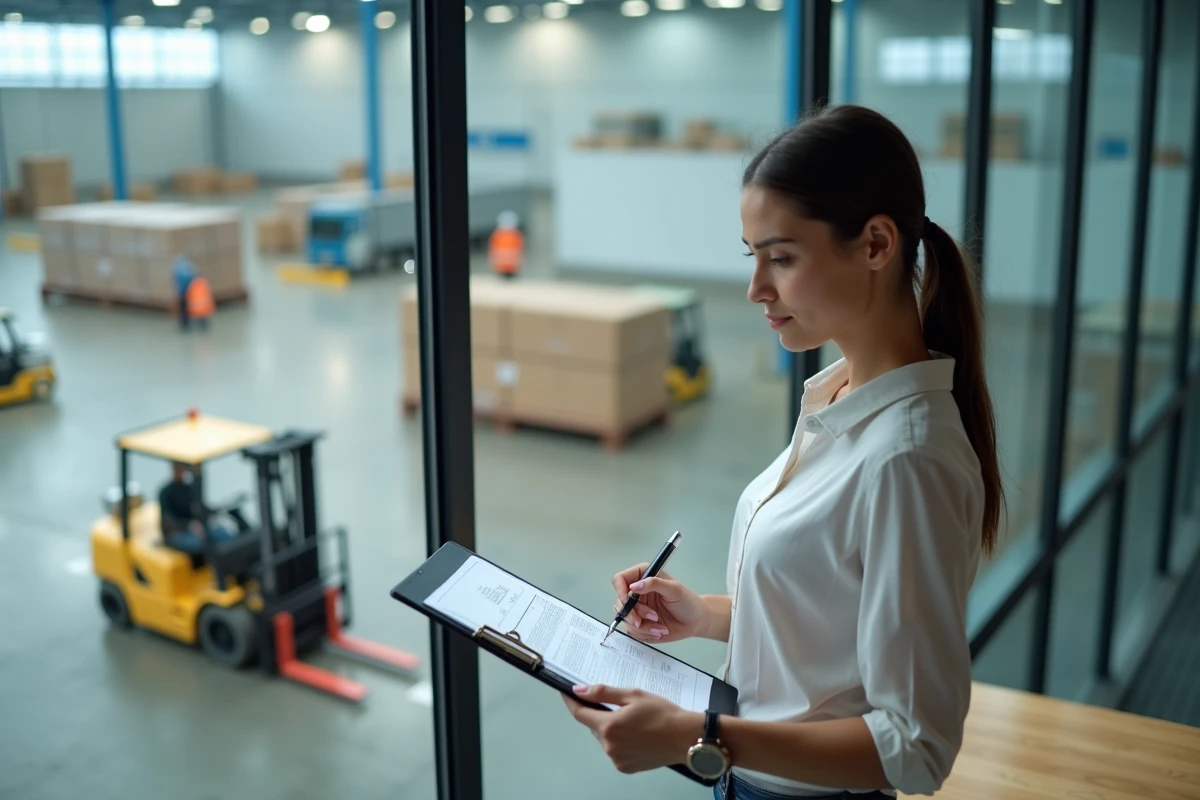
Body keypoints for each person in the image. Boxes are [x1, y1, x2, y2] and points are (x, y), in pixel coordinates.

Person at [563, 105, 1002, 800]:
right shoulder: (836, 398)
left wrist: (696, 736)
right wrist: (705, 614)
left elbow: (917, 746)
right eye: (753, 256)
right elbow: (830, 620)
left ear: (877, 244)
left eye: (783, 257)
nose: (755, 288)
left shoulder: (907, 459)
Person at [159, 462, 233, 554]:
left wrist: (219, 510)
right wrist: (189, 525)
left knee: (223, 533)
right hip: (176, 533)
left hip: (195, 528)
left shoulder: (188, 489)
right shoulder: (166, 492)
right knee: (204, 542)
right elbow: (167, 520)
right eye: (178, 467)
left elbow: (199, 506)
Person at [488, 210, 524, 280]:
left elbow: (520, 251)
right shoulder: (497, 235)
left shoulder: (516, 236)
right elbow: (493, 251)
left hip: (512, 268)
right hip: (501, 268)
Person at [173, 254, 196, 331]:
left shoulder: (177, 270)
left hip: (181, 292)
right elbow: (190, 279)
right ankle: (185, 323)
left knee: (184, 309)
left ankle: (184, 323)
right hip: (185, 293)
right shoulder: (184, 271)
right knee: (185, 309)